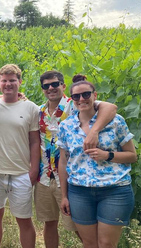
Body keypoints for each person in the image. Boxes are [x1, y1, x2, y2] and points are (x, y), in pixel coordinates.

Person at [36, 70, 118, 248]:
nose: (51, 88)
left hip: (69, 176)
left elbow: (110, 107)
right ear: (42, 89)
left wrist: (94, 131)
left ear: (63, 86)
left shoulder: (76, 102)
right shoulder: (40, 111)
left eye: (55, 84)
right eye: (46, 86)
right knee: (49, 223)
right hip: (44, 176)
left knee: (79, 228)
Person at [57, 74, 137, 248]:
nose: (81, 99)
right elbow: (63, 162)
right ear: (72, 100)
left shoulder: (116, 122)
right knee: (89, 243)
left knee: (107, 244)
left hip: (114, 190)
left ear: (95, 95)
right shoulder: (66, 126)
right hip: (79, 192)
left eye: (86, 94)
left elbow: (132, 155)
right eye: (76, 96)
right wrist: (64, 195)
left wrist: (107, 155)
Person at [0, 64, 40, 248]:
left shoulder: (31, 108)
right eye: (4, 81)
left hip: (21, 172)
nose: (8, 84)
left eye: (12, 80)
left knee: (24, 220)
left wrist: (33, 170)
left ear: (20, 82)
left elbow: (34, 141)